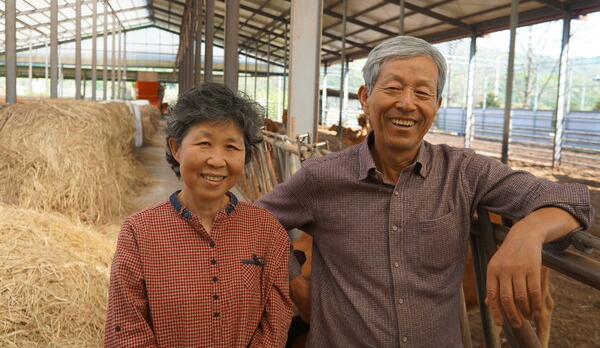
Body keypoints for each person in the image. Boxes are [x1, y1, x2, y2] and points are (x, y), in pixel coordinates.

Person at [256, 36, 595, 347]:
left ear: (437, 104)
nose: (407, 104)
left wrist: (527, 234)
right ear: (365, 97)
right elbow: (251, 222)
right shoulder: (321, 177)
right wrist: (295, 282)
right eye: (393, 88)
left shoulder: (463, 170)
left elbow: (575, 199)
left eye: (422, 93)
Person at [105, 83, 292, 347]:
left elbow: (275, 321)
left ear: (245, 155)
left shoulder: (267, 230)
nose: (217, 160)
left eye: (231, 147)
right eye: (205, 143)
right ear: (176, 148)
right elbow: (126, 330)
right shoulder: (139, 231)